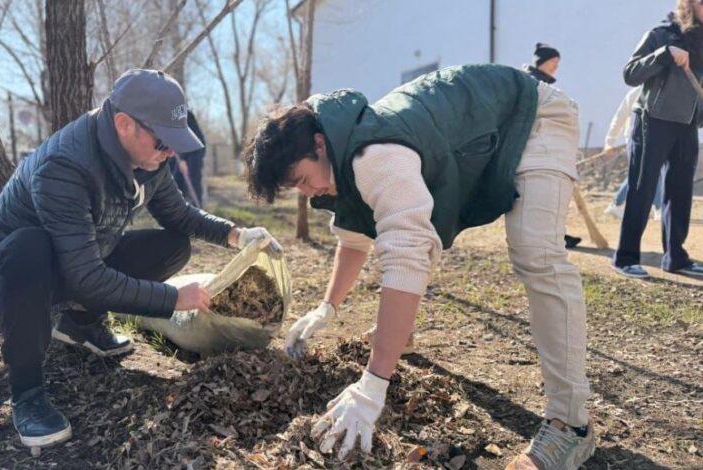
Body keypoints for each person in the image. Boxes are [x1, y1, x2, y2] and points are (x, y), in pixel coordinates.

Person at [244, 64, 594, 469]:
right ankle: (401, 335)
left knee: (536, 253)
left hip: (532, 117)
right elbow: (354, 240)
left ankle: (571, 424)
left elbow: (407, 256)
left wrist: (373, 385)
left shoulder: (375, 155)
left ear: (319, 143)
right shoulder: (342, 155)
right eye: (298, 188)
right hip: (487, 129)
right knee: (403, 239)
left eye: (303, 180)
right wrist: (327, 308)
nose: (309, 192)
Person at [0, 69, 281, 451]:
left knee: (173, 246)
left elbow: (179, 215)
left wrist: (237, 235)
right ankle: (27, 393)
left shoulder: (149, 159)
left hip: (71, 261)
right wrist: (173, 299)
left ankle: (81, 323)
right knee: (29, 246)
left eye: (174, 142)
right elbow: (86, 276)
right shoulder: (65, 166)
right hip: (4, 273)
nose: (170, 152)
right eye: (163, 141)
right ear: (124, 124)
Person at [612, 0, 703, 279]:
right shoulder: (661, 34)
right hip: (652, 121)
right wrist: (664, 54)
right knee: (642, 190)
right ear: (688, 5)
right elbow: (630, 74)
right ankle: (626, 257)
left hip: (687, 125)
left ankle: (676, 258)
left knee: (680, 194)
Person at [523, 42, 583, 250]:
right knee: (542, 197)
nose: (556, 66)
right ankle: (551, 237)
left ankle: (556, 235)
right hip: (535, 149)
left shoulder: (541, 83)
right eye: (553, 61)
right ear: (542, 61)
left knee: (548, 197)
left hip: (545, 148)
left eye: (558, 62)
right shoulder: (532, 83)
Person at [602, 87, 663, 221]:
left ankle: (618, 204)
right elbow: (620, 116)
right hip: (636, 138)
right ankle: (657, 208)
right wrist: (609, 141)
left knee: (648, 171)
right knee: (646, 171)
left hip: (655, 139)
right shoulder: (636, 92)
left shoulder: (665, 89)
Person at [168, 110, 206, 206]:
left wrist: (183, 160)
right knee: (176, 181)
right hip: (180, 152)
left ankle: (197, 207)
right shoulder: (166, 115)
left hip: (194, 151)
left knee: (193, 181)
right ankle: (182, 208)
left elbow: (185, 137)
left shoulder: (183, 113)